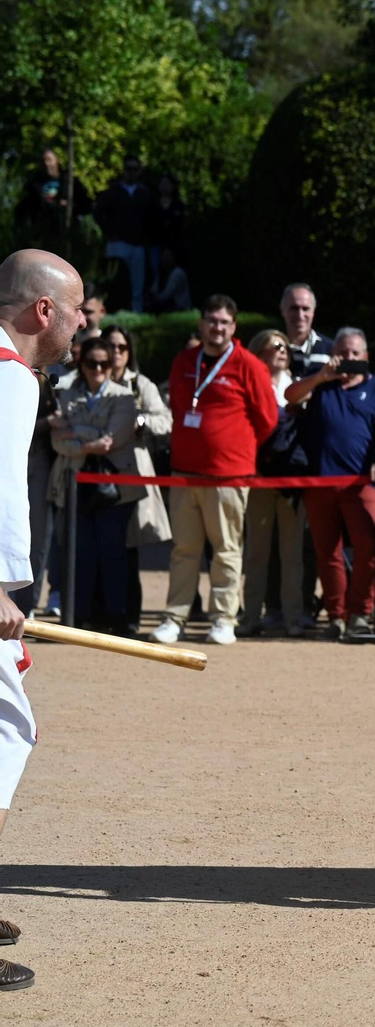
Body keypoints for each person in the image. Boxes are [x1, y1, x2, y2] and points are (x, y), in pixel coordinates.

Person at [0, 247, 89, 993]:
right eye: (79, 307)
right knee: (4, 734)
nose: (85, 320)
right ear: (43, 312)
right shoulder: (10, 379)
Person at [149, 298, 278, 646]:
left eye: (224, 322)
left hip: (229, 475)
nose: (217, 327)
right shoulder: (184, 361)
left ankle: (223, 618)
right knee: (184, 549)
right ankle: (175, 617)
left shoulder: (248, 365)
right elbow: (177, 404)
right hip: (185, 472)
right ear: (202, 323)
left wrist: (234, 446)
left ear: (233, 327)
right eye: (211, 321)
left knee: (226, 550)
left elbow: (267, 420)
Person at [286, 329, 375, 638]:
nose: (348, 359)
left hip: (361, 483)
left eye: (354, 354)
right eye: (343, 353)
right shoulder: (321, 382)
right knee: (328, 552)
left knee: (368, 549)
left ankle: (360, 613)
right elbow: (291, 396)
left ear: (365, 357)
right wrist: (323, 375)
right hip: (320, 482)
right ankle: (336, 615)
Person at [47, 337, 142, 633]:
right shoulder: (63, 392)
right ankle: (77, 619)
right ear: (82, 364)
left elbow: (113, 440)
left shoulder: (124, 396)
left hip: (115, 488)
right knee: (78, 553)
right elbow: (57, 443)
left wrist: (73, 431)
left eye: (104, 363)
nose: (98, 369)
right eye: (91, 363)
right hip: (73, 485)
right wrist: (91, 439)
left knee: (112, 553)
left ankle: (117, 618)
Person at [100, 324, 172, 634]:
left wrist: (139, 421)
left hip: (132, 473)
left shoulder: (142, 384)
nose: (116, 352)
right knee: (100, 548)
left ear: (129, 352)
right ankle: (100, 615)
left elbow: (165, 420)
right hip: (96, 473)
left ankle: (130, 618)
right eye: (111, 346)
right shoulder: (90, 378)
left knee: (129, 551)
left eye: (122, 347)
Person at [238, 330, 307, 638]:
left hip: (292, 480)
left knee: (292, 554)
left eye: (285, 347)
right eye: (275, 346)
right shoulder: (252, 383)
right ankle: (251, 616)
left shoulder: (300, 385)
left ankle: (294, 618)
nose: (283, 351)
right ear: (259, 352)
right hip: (258, 478)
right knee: (256, 553)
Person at [93, 155, 154, 311]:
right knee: (114, 280)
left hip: (138, 244)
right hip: (117, 243)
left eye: (135, 169)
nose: (131, 172)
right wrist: (109, 232)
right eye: (128, 169)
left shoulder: (145, 193)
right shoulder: (113, 191)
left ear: (139, 171)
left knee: (137, 282)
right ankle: (111, 310)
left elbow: (151, 218)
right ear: (123, 170)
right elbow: (99, 213)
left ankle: (136, 313)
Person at [280, 282, 332, 377]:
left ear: (313, 312)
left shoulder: (330, 350)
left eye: (305, 309)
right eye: (294, 308)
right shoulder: (271, 349)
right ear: (282, 310)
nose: (300, 315)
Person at [147, 247, 191, 313]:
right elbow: (153, 290)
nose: (165, 259)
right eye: (163, 256)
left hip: (181, 309)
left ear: (173, 258)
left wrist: (154, 300)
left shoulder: (178, 272)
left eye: (168, 256)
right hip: (168, 308)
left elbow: (166, 295)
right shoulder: (163, 273)